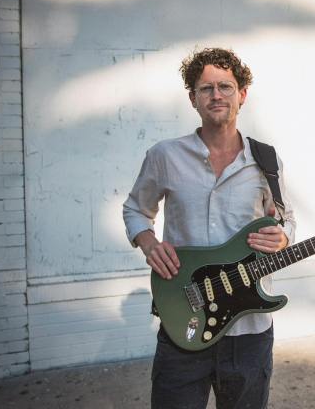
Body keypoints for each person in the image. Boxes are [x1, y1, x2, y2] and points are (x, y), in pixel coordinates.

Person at [122, 47, 296, 409]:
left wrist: (283, 237)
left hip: (248, 334)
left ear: (242, 95)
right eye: (206, 89)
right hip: (183, 323)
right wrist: (150, 244)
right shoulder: (165, 156)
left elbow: (286, 221)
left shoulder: (266, 161)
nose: (217, 95)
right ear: (193, 99)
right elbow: (136, 211)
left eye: (226, 86)